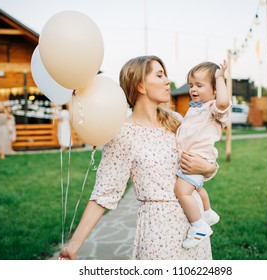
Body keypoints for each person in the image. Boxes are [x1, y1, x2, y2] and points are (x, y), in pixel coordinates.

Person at [59, 55, 218, 260]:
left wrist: (207, 168)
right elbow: (104, 194)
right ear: (140, 86)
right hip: (159, 234)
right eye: (159, 75)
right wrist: (73, 247)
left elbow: (207, 161)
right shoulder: (123, 133)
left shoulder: (178, 121)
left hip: (195, 229)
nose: (167, 80)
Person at [175, 61, 231, 249]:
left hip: (198, 160)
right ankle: (207, 213)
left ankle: (199, 226)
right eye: (191, 85)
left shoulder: (213, 108)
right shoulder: (195, 108)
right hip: (193, 159)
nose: (193, 89)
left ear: (215, 90)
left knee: (182, 191)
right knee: (197, 189)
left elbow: (223, 102)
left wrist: (220, 78)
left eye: (199, 85)